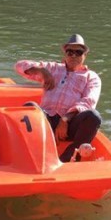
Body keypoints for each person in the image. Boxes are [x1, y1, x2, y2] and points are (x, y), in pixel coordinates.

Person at [14, 33, 102, 162]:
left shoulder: (91, 77)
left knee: (93, 116)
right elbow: (19, 66)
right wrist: (41, 71)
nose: (73, 55)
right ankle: (32, 155)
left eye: (78, 52)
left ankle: (68, 156)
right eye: (69, 52)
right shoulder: (53, 69)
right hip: (46, 120)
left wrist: (65, 119)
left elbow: (88, 102)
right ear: (65, 54)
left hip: (71, 123)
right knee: (30, 107)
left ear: (84, 55)